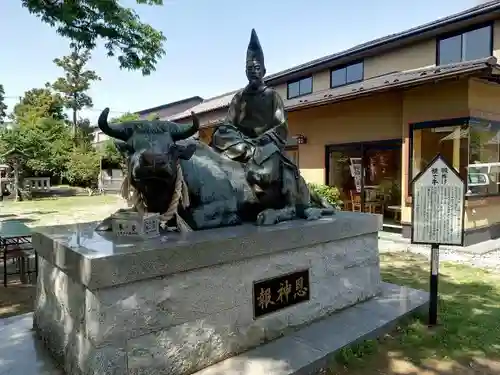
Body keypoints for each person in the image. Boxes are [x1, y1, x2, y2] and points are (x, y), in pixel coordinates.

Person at [210, 29, 298, 190]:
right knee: (219, 133)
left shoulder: (272, 96)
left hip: (264, 143)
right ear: (245, 73)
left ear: (264, 71)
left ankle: (254, 164)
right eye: (250, 69)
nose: (253, 71)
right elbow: (228, 124)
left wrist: (265, 137)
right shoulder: (239, 97)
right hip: (240, 143)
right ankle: (245, 153)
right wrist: (229, 133)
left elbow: (281, 126)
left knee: (268, 152)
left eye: (257, 68)